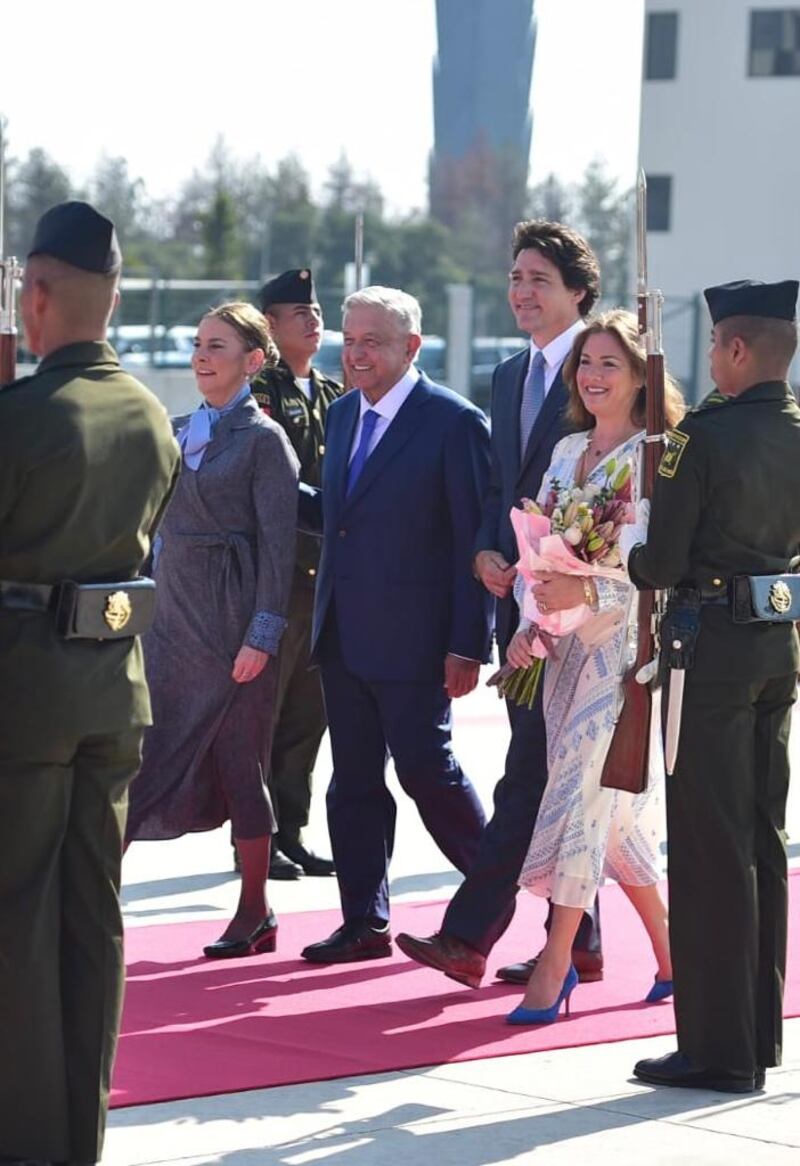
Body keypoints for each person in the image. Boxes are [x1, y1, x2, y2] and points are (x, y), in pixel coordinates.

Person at [0, 201, 180, 1166]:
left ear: (37, 297)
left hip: (24, 698)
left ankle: (23, 1137)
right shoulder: (151, 413)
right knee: (91, 913)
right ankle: (78, 1134)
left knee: (16, 916)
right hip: (114, 693)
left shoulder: (24, 417)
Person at [397, 220, 605, 989]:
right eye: (515, 278)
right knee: (557, 775)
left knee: (533, 775)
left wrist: (560, 569)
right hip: (524, 606)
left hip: (585, 611)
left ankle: (470, 936)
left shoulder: (606, 363)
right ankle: (583, 939)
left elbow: (610, 482)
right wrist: (488, 550)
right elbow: (499, 487)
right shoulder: (508, 375)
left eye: (538, 281)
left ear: (579, 291)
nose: (521, 293)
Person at [627, 279, 800, 1093]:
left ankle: (718, 1051)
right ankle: (757, 1035)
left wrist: (619, 552)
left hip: (710, 660)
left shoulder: (704, 437)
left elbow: (660, 565)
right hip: (778, 648)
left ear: (734, 349)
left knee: (708, 850)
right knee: (761, 845)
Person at [298, 286, 492, 964]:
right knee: (351, 783)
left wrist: (469, 643)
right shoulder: (345, 414)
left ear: (412, 346)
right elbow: (343, 515)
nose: (356, 353)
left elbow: (475, 539)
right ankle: (364, 923)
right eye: (349, 340)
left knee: (427, 773)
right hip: (344, 636)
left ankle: (497, 889)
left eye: (371, 341)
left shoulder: (454, 422)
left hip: (416, 642)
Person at [503, 310, 684, 1023]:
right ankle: (673, 955)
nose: (594, 375)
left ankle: (556, 963)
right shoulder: (566, 448)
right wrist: (531, 623)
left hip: (621, 657)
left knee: (581, 801)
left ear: (642, 376)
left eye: (611, 362)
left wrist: (591, 588)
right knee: (609, 819)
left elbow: (660, 572)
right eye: (587, 363)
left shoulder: (654, 456)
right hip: (564, 654)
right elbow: (538, 549)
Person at [125, 302, 299, 961]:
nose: (202, 356)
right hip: (170, 624)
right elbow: (149, 532)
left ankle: (255, 911)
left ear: (254, 361)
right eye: (198, 344)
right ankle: (80, 907)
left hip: (233, 637)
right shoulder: (174, 431)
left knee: (238, 768)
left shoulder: (264, 442)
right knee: (136, 762)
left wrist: (262, 636)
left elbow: (280, 550)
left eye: (217, 346)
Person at [251, 268, 342, 879]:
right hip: (280, 576)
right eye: (296, 313)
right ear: (271, 326)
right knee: (266, 713)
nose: (312, 320)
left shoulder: (335, 393)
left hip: (326, 581)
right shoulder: (264, 390)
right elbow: (278, 480)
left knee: (310, 716)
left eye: (314, 310)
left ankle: (292, 830)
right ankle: (255, 840)